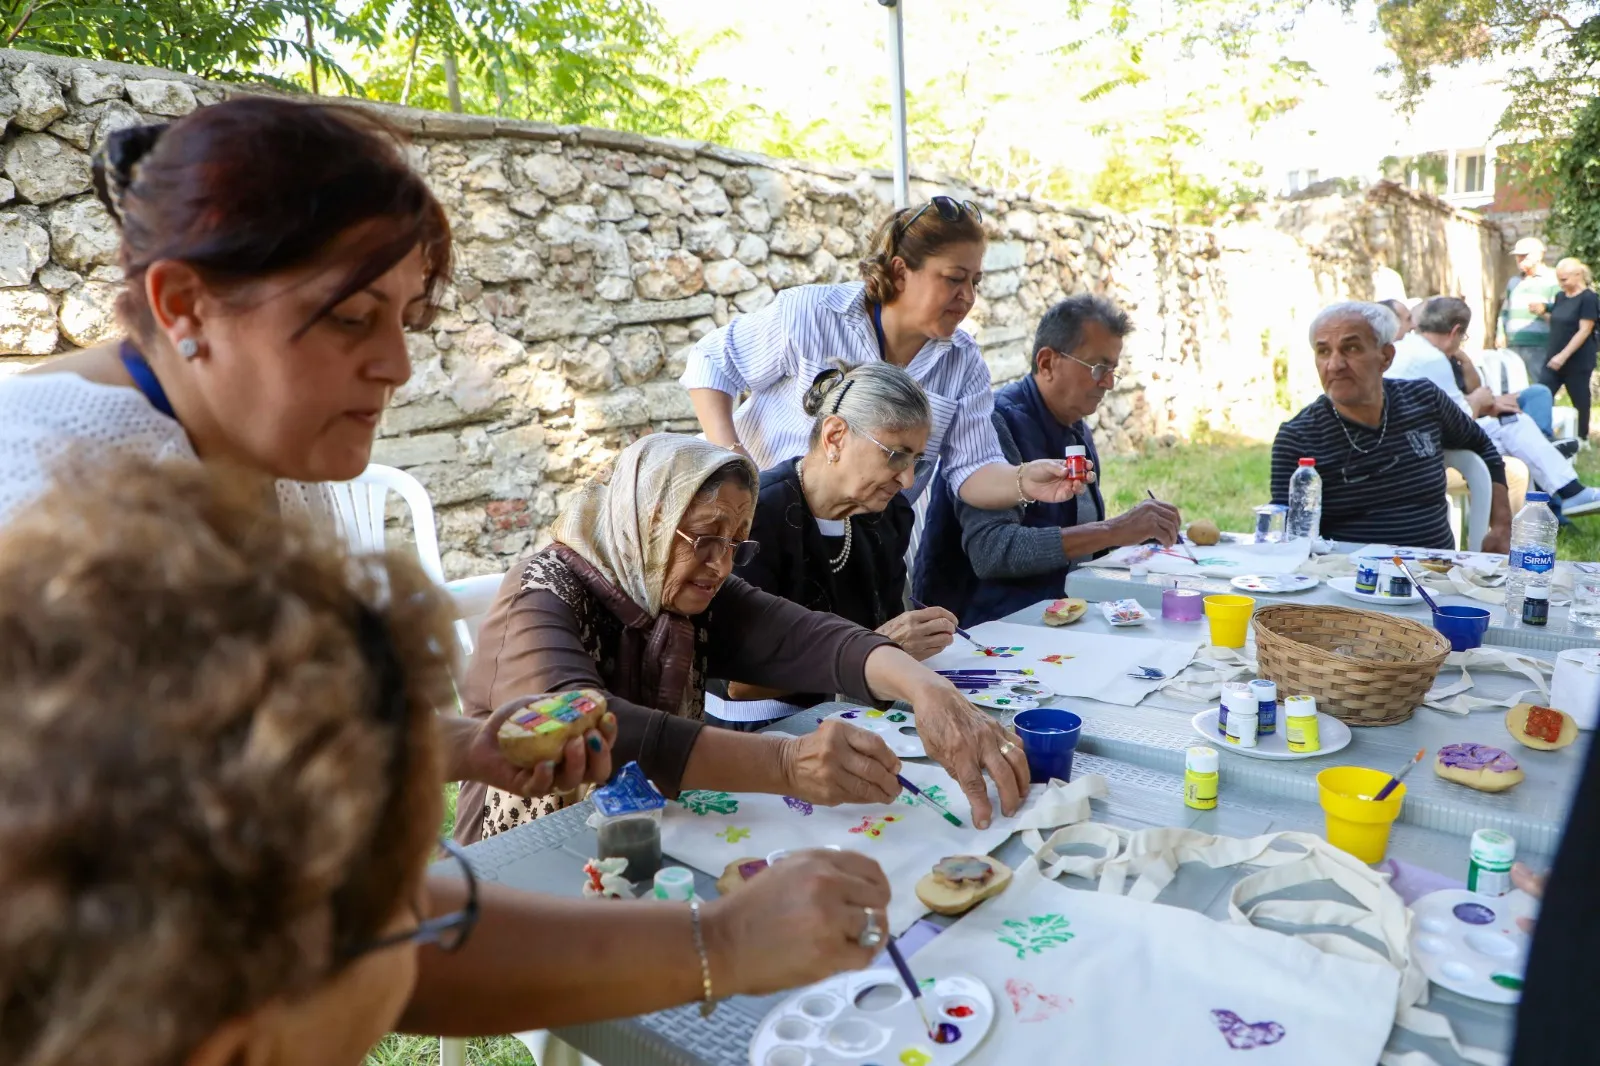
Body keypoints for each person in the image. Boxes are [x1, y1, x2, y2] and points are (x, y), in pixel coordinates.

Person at [0, 458, 897, 1066]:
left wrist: (461, 744)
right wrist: (728, 939)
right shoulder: (549, 587)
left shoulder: (151, 942)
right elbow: (429, 944)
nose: (431, 894)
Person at [0, 99, 605, 802]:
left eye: (406, 320)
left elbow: (273, 746)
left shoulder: (264, 441)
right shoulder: (44, 502)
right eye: (352, 317)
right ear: (184, 305)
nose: (398, 366)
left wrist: (468, 744)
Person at [457, 433, 1031, 845]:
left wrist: (927, 691)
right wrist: (785, 763)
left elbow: (808, 637)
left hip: (641, 827)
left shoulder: (679, 582)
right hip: (526, 851)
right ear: (647, 521)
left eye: (735, 542)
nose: (719, 564)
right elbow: (588, 730)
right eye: (705, 537)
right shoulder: (541, 596)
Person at [680, 196, 1092, 511]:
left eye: (976, 282)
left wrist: (1024, 480)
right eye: (954, 279)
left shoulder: (962, 362)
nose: (967, 297)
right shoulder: (811, 314)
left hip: (864, 548)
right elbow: (712, 363)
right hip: (760, 519)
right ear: (899, 272)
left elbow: (973, 469)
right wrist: (737, 466)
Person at [915, 294, 1180, 626]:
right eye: (1098, 368)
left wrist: (1135, 534)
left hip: (1056, 619)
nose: (1109, 383)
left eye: (1113, 369)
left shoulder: (1074, 427)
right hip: (979, 630)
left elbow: (1079, 541)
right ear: (1046, 362)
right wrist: (1114, 530)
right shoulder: (996, 423)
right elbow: (993, 552)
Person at [716, 362, 958, 721]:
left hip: (853, 709)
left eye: (916, 462)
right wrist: (875, 650)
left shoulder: (886, 517)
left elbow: (889, 630)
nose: (907, 480)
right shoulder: (757, 516)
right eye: (895, 455)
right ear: (835, 437)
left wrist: (908, 641)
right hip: (763, 726)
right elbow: (741, 684)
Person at [1271, 301, 1512, 553]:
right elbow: (1287, 537)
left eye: (1350, 348)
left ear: (1385, 357)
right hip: (1345, 579)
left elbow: (1483, 446)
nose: (1334, 365)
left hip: (1432, 574)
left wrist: (1501, 527)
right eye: (1323, 351)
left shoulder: (1424, 400)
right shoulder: (1298, 436)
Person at [1386, 297, 1600, 516]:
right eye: (1463, 337)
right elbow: (1460, 424)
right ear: (1455, 331)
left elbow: (1448, 409)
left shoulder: (1408, 349)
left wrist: (1485, 404)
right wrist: (1478, 401)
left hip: (1416, 440)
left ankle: (1560, 483)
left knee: (1513, 424)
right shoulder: (1432, 359)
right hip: (1423, 451)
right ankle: (1559, 487)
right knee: (1516, 435)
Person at [1539, 256, 1598, 438]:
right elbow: (1559, 322)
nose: (1560, 283)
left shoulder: (1589, 298)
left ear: (1578, 274)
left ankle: (1582, 437)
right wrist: (1542, 314)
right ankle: (1541, 432)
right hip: (1553, 356)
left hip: (1577, 359)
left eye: (1564, 279)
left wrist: (1563, 356)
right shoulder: (1560, 296)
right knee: (1541, 394)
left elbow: (1584, 330)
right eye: (1558, 279)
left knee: (1580, 399)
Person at [1498, 237, 1560, 385]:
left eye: (1524, 255)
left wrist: (1543, 311)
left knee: (1541, 385)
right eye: (1517, 256)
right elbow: (1505, 311)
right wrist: (1500, 333)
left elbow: (1561, 313)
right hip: (1513, 344)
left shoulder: (1552, 279)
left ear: (1539, 255)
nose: (1519, 259)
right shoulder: (1514, 282)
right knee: (1508, 385)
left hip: (1539, 344)